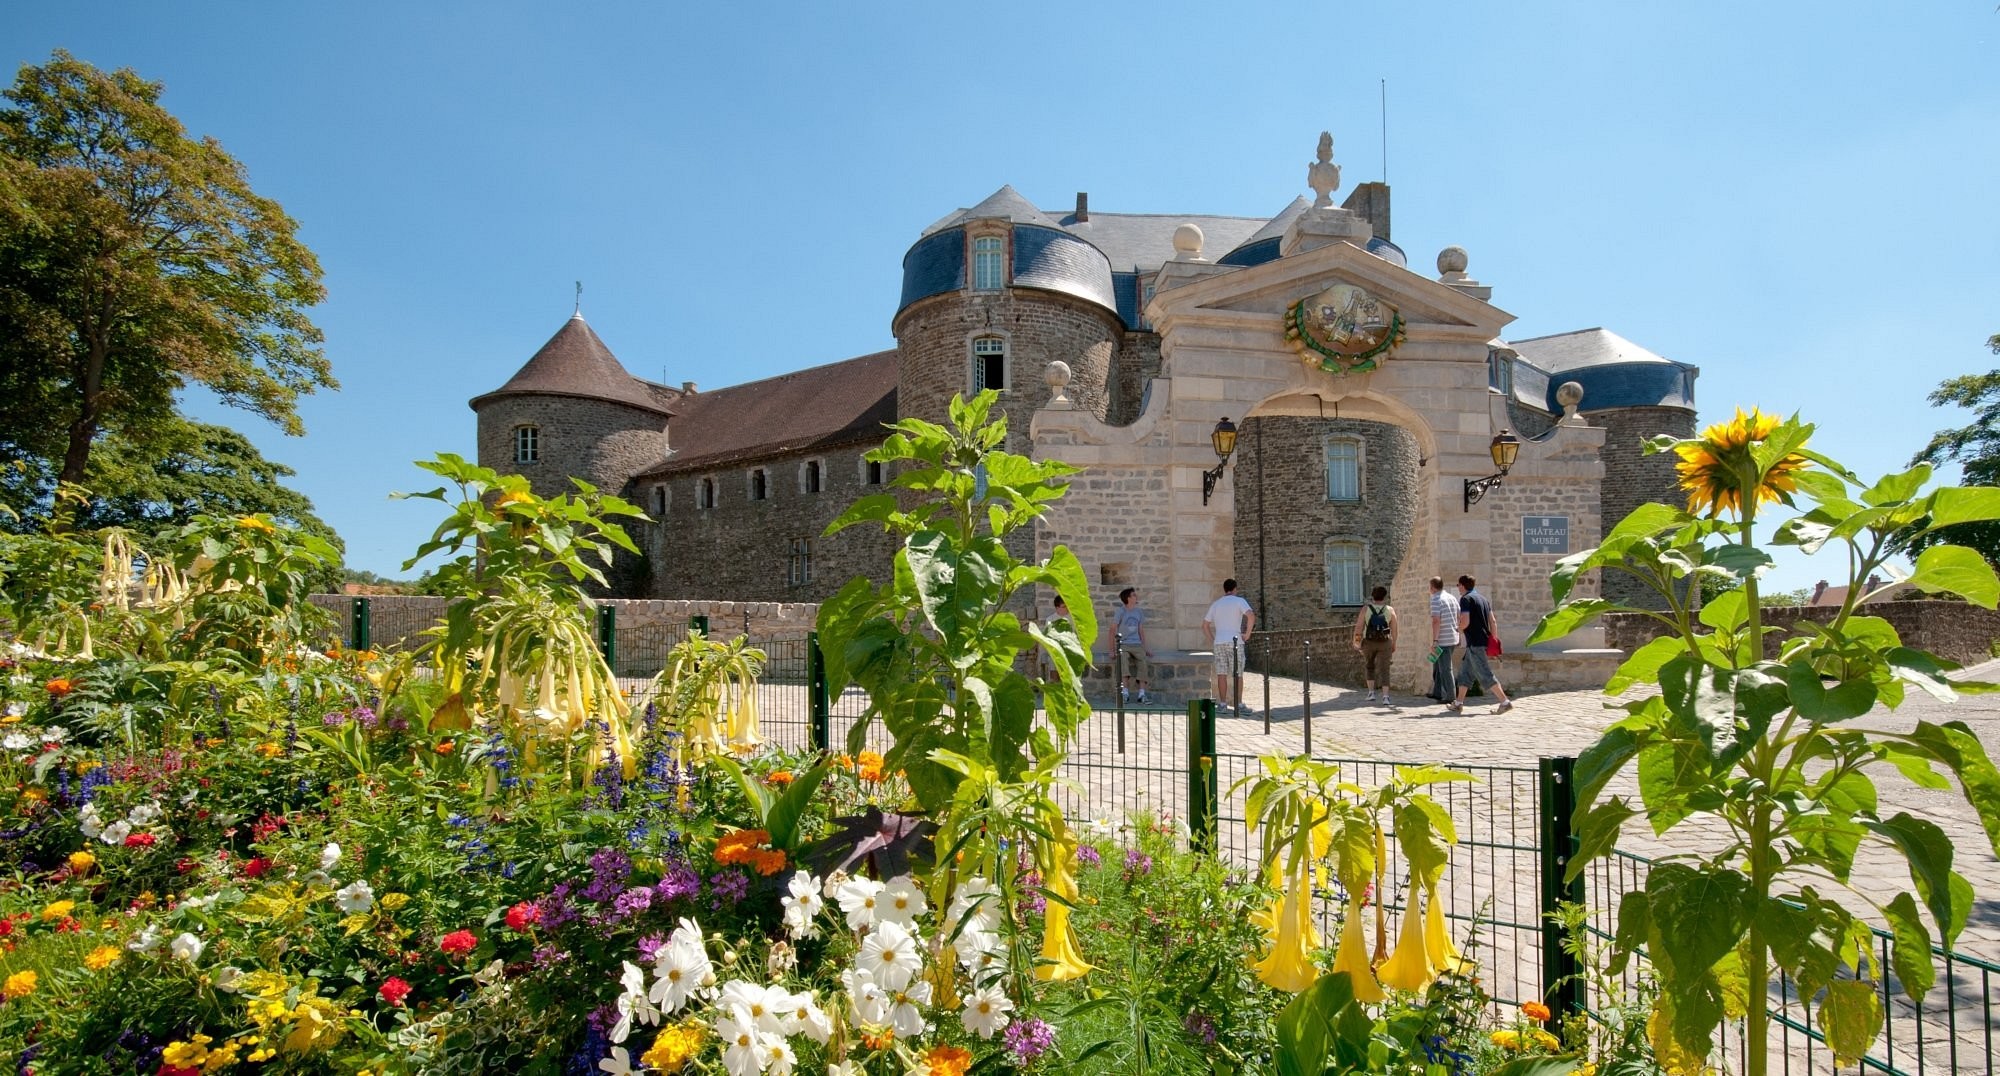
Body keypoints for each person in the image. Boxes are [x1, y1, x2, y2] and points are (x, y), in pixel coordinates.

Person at [1453, 575, 1514, 714]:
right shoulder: (1483, 599)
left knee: (1485, 673)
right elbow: (1493, 621)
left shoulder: (1465, 599)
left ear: (1462, 585)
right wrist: (1493, 640)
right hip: (1481, 641)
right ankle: (1458, 703)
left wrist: (1458, 629)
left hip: (1475, 642)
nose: (1458, 588)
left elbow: (1465, 622)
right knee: (1465, 673)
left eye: (1458, 585)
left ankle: (1505, 702)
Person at [1203, 578, 1256, 713]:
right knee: (1237, 674)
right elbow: (1251, 616)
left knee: (1221, 673)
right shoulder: (1239, 601)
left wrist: (1213, 639)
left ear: (1224, 589)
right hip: (1235, 640)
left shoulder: (1216, 604)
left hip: (1219, 641)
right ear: (1234, 589)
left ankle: (1222, 703)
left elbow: (1205, 625)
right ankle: (1238, 703)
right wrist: (1248, 633)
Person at [1350, 585, 1397, 704]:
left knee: (1369, 666)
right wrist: (1394, 643)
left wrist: (1356, 642)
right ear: (1385, 596)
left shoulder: (1366, 609)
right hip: (1385, 642)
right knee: (1385, 669)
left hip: (1368, 642)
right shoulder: (1390, 610)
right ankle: (1386, 697)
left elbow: (1359, 627)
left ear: (1373, 596)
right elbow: (1394, 629)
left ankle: (1371, 693)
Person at [1112, 587, 1151, 703]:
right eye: (1133, 595)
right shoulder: (1121, 611)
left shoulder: (1139, 612)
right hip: (1123, 643)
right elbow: (1112, 629)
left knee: (1143, 661)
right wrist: (1112, 649)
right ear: (1128, 598)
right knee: (1123, 661)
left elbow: (1141, 630)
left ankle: (1142, 694)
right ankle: (1125, 693)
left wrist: (1145, 648)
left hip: (1137, 643)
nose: (1136, 596)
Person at [1428, 576, 1461, 710]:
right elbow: (1459, 615)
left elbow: (1436, 620)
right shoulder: (1451, 597)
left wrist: (1435, 640)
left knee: (1445, 668)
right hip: (1452, 637)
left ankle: (1450, 696)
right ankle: (1437, 692)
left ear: (1432, 587)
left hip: (1443, 639)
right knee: (1437, 665)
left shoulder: (1436, 599)